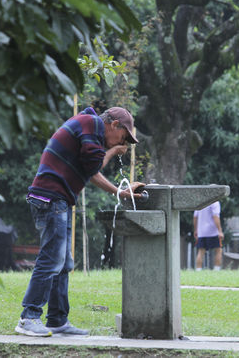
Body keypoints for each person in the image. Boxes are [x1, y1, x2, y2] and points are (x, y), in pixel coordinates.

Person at [15, 106, 145, 337]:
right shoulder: (91, 124)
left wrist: (121, 193)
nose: (122, 143)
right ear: (114, 125)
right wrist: (114, 150)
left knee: (63, 263)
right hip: (50, 198)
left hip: (58, 200)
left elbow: (91, 173)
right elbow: (94, 166)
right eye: (123, 137)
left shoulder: (89, 127)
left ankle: (57, 320)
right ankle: (29, 317)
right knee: (52, 258)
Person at [193, 201, 224, 271]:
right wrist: (220, 231)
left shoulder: (201, 202)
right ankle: (216, 269)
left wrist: (196, 230)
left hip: (201, 232)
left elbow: (195, 217)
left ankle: (198, 270)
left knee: (201, 252)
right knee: (218, 250)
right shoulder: (215, 202)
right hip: (213, 231)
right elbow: (215, 216)